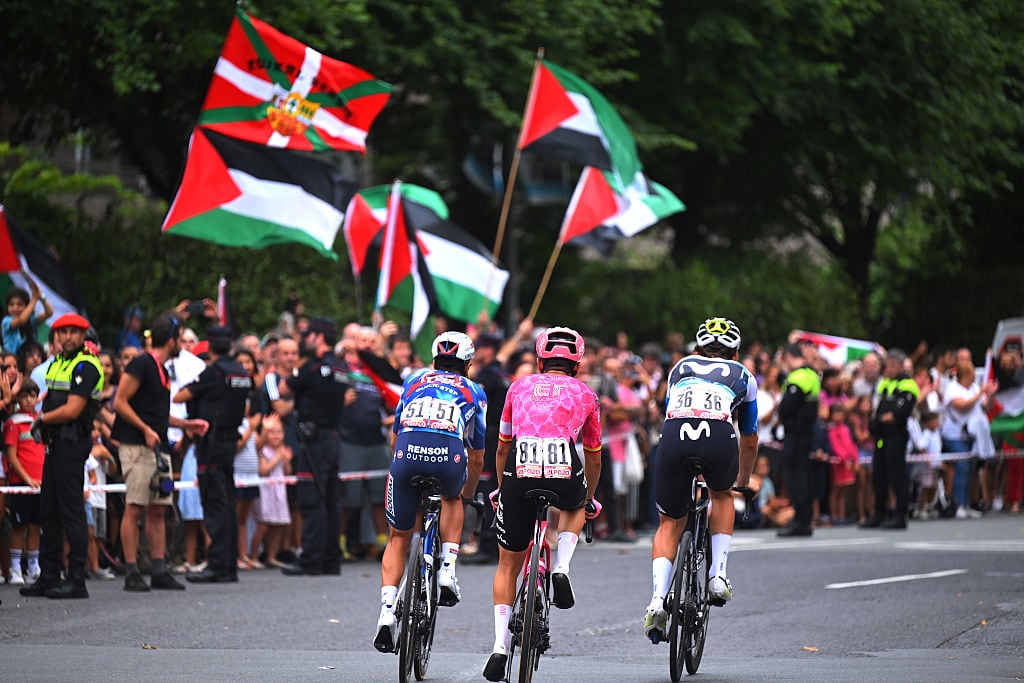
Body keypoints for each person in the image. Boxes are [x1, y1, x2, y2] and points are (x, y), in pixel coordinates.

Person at [481, 327, 601, 680]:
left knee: (507, 566)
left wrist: (503, 489)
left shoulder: (517, 387)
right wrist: (590, 497)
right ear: (576, 364)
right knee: (576, 506)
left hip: (520, 465)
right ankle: (562, 565)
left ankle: (500, 645)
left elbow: (502, 445)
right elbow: (593, 456)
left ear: (539, 360)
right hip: (564, 467)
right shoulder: (587, 394)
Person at [643, 317, 757, 643]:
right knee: (722, 496)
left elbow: (669, 411)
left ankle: (656, 598)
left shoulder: (679, 367)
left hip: (675, 435)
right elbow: (749, 437)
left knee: (668, 523)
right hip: (719, 436)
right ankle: (718, 575)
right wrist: (743, 481)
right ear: (735, 352)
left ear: (697, 348)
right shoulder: (744, 375)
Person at [374, 331, 486, 654]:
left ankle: (386, 611)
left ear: (434, 359)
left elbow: (395, 438)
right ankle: (448, 570)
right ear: (467, 364)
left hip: (406, 458)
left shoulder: (412, 381)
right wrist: (467, 494)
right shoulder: (474, 391)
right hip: (447, 460)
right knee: (453, 499)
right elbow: (477, 456)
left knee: (398, 537)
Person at [112, 312, 200, 592]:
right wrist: (145, 429)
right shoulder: (141, 363)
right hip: (137, 447)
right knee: (135, 506)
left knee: (159, 509)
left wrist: (186, 424)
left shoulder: (162, 370)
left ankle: (159, 569)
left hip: (157, 446)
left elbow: (157, 415)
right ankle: (131, 571)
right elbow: (120, 402)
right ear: (172, 340)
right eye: (180, 340)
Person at [18, 312, 102, 599]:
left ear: (82, 336)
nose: (66, 337)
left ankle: (76, 579)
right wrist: (45, 419)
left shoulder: (86, 366)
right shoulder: (58, 364)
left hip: (72, 444)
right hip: (55, 445)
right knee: (48, 512)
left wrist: (42, 419)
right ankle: (50, 575)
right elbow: (52, 399)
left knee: (71, 512)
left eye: (73, 332)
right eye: (61, 332)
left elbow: (73, 409)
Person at [173, 325, 253, 583]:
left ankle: (218, 564)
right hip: (230, 441)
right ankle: (227, 565)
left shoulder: (213, 372)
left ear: (208, 344)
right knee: (227, 503)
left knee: (215, 504)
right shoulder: (240, 371)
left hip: (211, 444)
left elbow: (179, 396)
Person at [277, 316, 350, 577]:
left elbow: (284, 388)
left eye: (308, 335)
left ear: (318, 338)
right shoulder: (341, 368)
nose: (304, 340)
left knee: (311, 499)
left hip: (314, 440)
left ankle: (311, 559)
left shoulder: (310, 367)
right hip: (332, 438)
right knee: (330, 499)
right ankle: (331, 559)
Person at [860, 349, 920, 529]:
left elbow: (899, 413)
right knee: (879, 476)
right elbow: (879, 410)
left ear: (901, 366)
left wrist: (888, 416)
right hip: (882, 435)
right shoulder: (884, 384)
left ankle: (900, 515)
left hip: (896, 435)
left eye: (894, 365)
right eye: (888, 365)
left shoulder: (908, 384)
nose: (890, 368)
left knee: (897, 476)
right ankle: (879, 513)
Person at [776, 343, 820, 537]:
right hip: (806, 433)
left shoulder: (799, 376)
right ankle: (804, 519)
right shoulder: (812, 374)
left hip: (796, 434)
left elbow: (786, 407)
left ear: (788, 357)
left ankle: (800, 521)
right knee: (804, 477)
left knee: (796, 478)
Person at [5, 379, 45, 586]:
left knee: (35, 526)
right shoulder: (14, 422)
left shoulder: (41, 420)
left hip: (40, 483)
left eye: (32, 395)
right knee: (19, 526)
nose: (29, 400)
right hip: (21, 484)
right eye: (24, 396)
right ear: (18, 398)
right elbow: (12, 456)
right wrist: (26, 478)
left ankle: (33, 567)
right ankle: (14, 568)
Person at [2, 278, 53, 357]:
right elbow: (21, 320)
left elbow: (49, 313)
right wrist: (34, 299)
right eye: (11, 304)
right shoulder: (6, 321)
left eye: (20, 304)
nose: (15, 308)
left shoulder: (31, 320)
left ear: (26, 306)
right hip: (13, 364)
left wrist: (41, 296)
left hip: (30, 363)